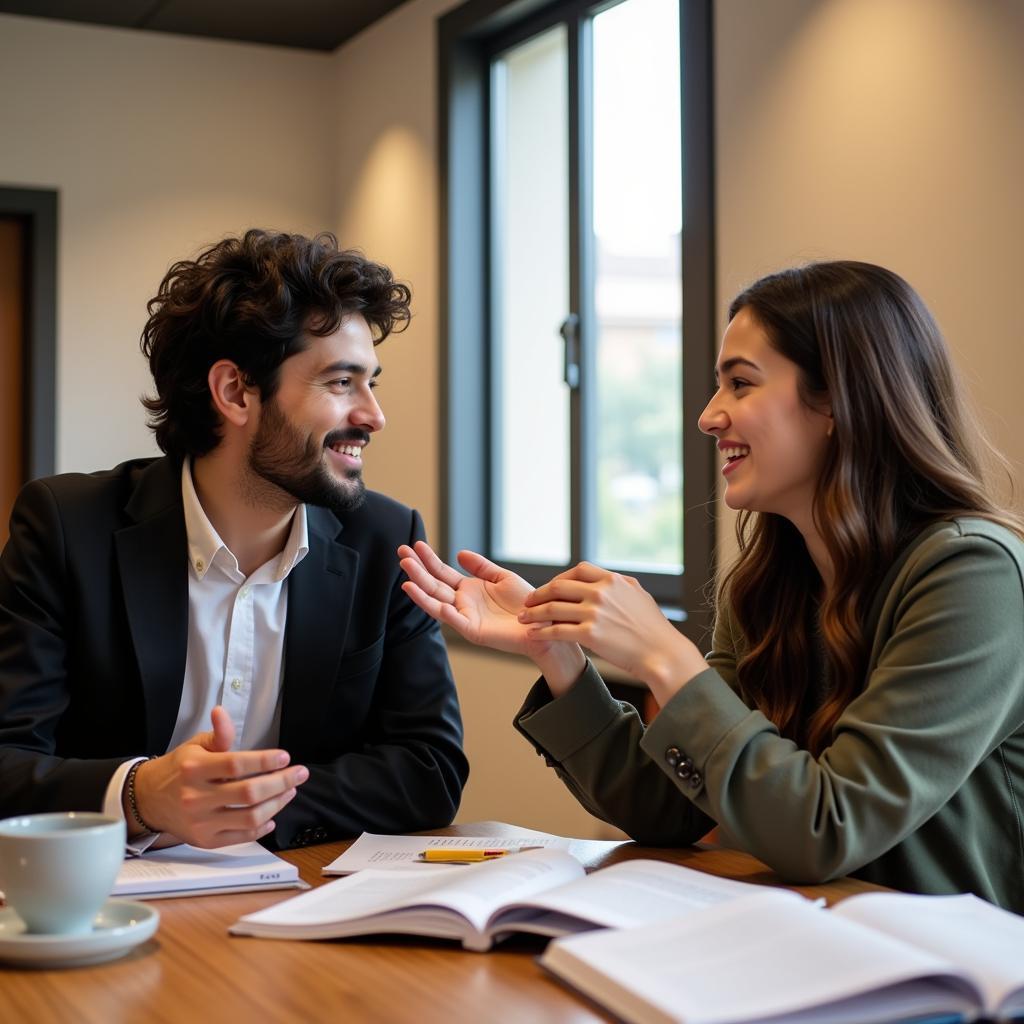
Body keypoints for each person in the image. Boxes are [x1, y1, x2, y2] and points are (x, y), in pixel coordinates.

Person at [400, 260, 1024, 912]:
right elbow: (668, 806)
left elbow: (829, 828)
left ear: (837, 400)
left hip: (958, 981)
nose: (707, 416)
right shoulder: (770, 584)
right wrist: (555, 653)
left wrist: (667, 658)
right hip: (819, 949)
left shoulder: (972, 575)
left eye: (740, 385)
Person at [0, 229, 468, 851]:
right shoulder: (66, 527)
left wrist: (245, 806)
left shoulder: (387, 540)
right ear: (235, 392)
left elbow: (429, 768)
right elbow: (7, 760)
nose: (373, 415)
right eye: (339, 383)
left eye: (371, 382)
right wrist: (141, 796)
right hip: (105, 898)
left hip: (292, 896)